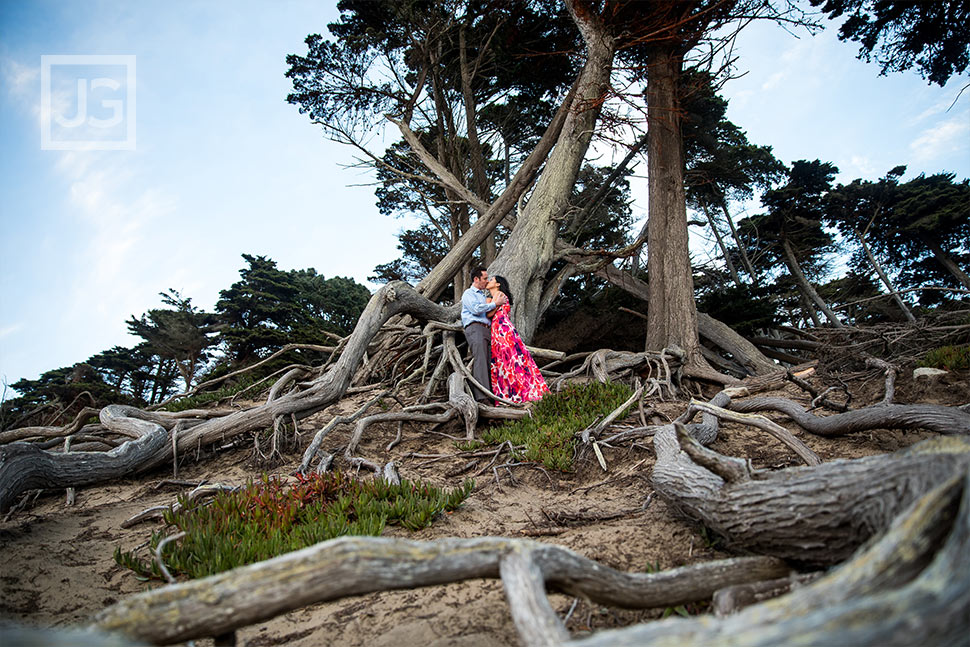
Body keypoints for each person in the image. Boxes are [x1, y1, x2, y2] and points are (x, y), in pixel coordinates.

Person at [486, 275, 550, 404]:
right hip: (501, 330)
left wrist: (490, 303)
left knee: (509, 360)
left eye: (491, 280)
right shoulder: (496, 297)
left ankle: (515, 393)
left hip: (503, 331)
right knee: (508, 360)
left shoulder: (499, 295)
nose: (488, 281)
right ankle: (515, 392)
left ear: (498, 284)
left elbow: (489, 314)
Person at [461, 267, 506, 402]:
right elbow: (475, 309)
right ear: (476, 279)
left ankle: (492, 395)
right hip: (475, 328)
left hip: (487, 329)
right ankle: (482, 397)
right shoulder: (469, 293)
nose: (487, 281)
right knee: (480, 360)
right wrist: (495, 304)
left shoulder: (483, 295)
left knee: (489, 362)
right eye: (485, 278)